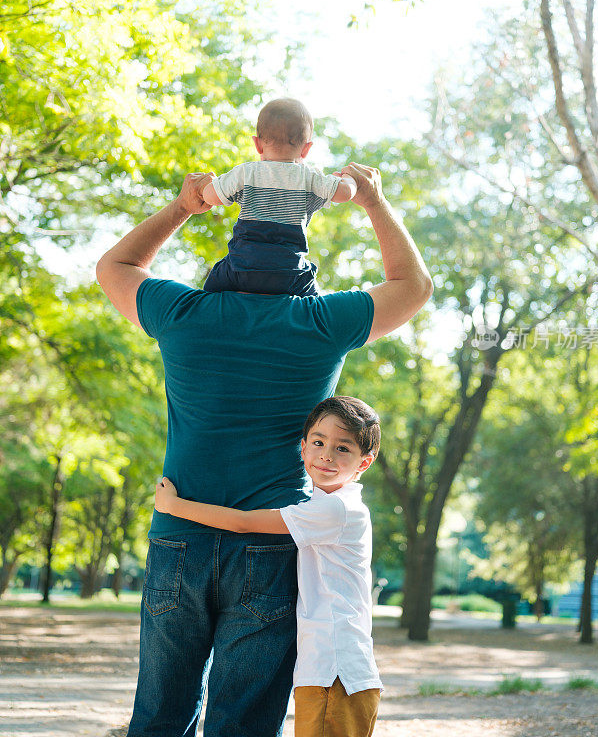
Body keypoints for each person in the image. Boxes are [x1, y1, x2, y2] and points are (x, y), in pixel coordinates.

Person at [95, 161, 432, 736]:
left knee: (159, 715)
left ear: (227, 261)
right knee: (246, 722)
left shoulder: (183, 313)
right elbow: (414, 287)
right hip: (272, 548)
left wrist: (183, 206)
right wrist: (373, 200)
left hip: (180, 537)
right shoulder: (323, 321)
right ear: (304, 267)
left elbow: (114, 266)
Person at [154, 395, 383, 737]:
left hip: (336, 669)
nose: (327, 455)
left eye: (343, 449)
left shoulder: (335, 510)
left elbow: (244, 523)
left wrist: (173, 506)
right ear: (302, 447)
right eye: (319, 443)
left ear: (364, 462)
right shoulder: (323, 505)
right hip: (327, 667)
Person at [201, 97, 357, 297]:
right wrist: (349, 179)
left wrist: (208, 185)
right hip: (290, 275)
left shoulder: (246, 173)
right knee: (315, 304)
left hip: (241, 268)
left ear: (257, 144)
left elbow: (210, 196)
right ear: (306, 149)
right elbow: (345, 193)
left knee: (208, 292)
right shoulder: (309, 177)